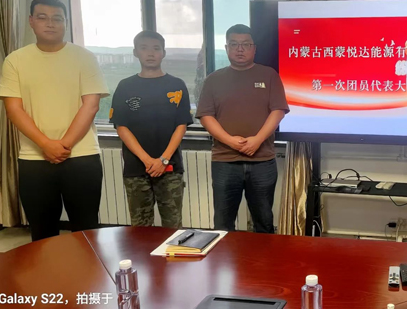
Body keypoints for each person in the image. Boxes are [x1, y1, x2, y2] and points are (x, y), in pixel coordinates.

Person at [0, 0, 109, 241]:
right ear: (31, 21)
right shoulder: (15, 60)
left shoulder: (84, 57)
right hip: (34, 158)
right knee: (42, 233)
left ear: (65, 23)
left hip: (81, 156)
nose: (50, 23)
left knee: (86, 231)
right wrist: (46, 145)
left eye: (57, 18)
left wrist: (63, 145)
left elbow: (91, 105)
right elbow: (14, 109)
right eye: (42, 17)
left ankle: (86, 269)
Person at [196, 24, 289, 233]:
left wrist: (257, 140)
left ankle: (263, 256)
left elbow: (278, 111)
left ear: (254, 48)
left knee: (264, 221)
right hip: (225, 160)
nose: (240, 49)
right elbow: (206, 116)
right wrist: (230, 141)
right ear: (226, 48)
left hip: (262, 160)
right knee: (223, 223)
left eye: (246, 44)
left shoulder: (269, 75)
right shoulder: (213, 79)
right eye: (234, 44)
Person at [109, 31, 193, 228]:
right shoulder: (125, 86)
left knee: (173, 226)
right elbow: (121, 126)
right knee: (140, 228)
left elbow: (181, 125)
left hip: (170, 168)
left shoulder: (177, 85)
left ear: (163, 53)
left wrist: (163, 160)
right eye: (144, 48)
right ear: (135, 52)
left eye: (156, 48)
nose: (150, 53)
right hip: (136, 168)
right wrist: (148, 160)